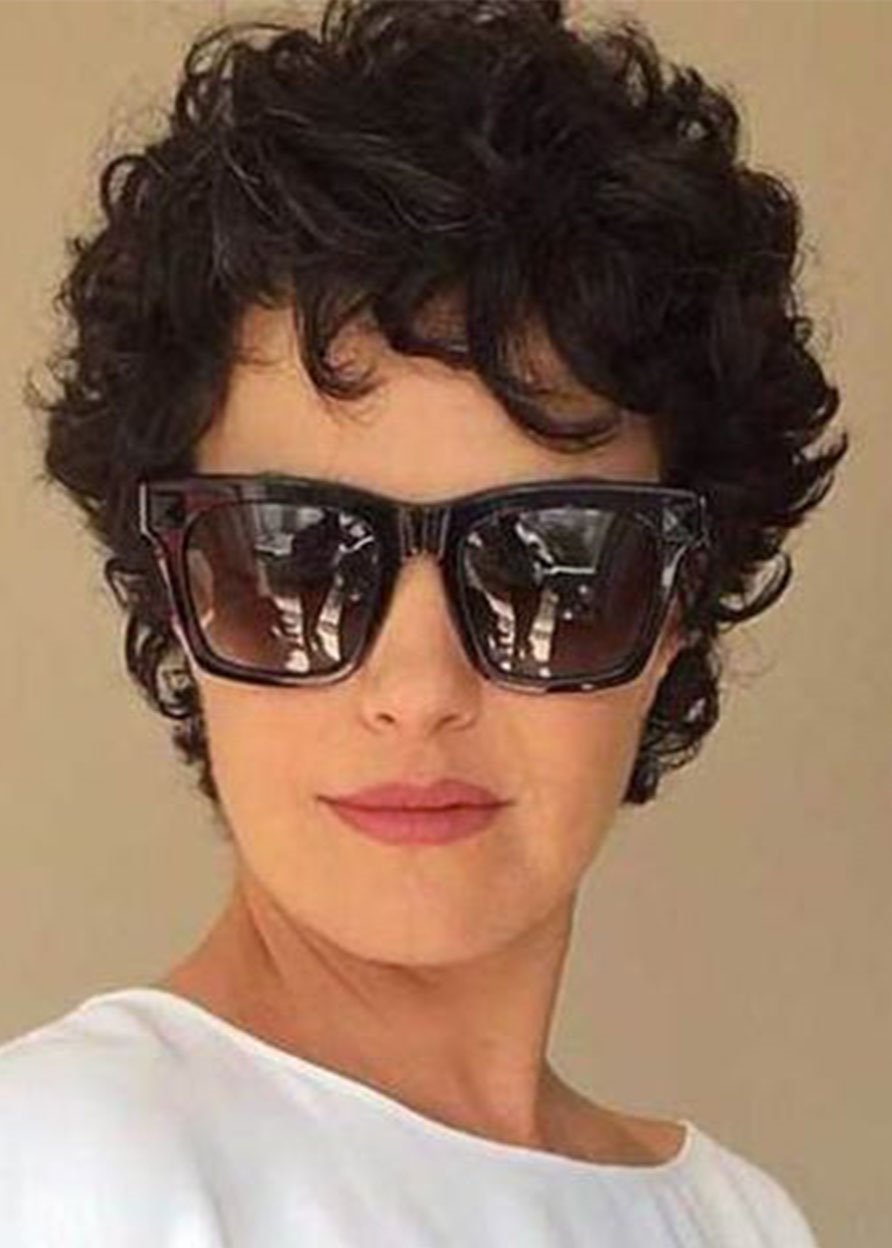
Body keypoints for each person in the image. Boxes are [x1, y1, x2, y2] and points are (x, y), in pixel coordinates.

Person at [3, 0, 847, 1243]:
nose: (418, 688)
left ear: (678, 610)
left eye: (556, 564)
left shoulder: (739, 1220)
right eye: (292, 557)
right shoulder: (54, 1168)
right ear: (176, 592)